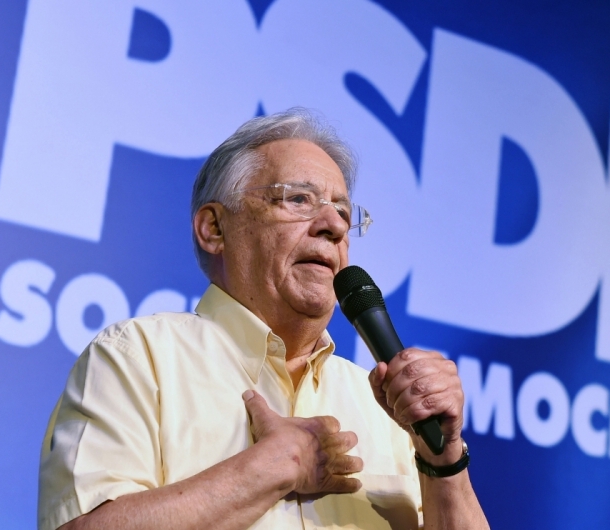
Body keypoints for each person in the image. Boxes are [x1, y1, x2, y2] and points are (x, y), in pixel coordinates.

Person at [38, 108, 489, 530]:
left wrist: (443, 459)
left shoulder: (385, 405)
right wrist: (273, 468)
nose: (332, 224)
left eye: (343, 213)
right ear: (214, 229)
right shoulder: (140, 357)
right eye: (298, 199)